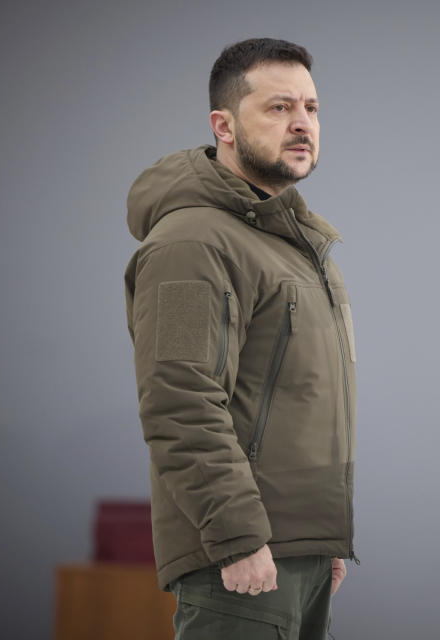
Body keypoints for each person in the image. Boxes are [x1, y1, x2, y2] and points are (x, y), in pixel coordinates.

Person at [124, 38, 357, 640]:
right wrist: (237, 536)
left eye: (311, 107)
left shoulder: (297, 243)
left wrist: (317, 532)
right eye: (279, 108)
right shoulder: (189, 246)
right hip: (238, 558)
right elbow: (180, 399)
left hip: (295, 550)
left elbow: (296, 403)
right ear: (222, 126)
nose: (302, 123)